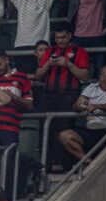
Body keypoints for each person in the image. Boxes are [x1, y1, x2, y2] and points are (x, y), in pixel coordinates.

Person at [35, 22, 90, 165]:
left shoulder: (80, 52)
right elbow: (38, 75)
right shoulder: (49, 52)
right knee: (44, 132)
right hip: (48, 96)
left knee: (62, 130)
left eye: (63, 37)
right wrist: (47, 64)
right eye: (57, 37)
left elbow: (84, 76)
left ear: (70, 36)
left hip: (68, 96)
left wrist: (68, 64)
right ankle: (44, 167)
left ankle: (63, 164)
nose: (60, 40)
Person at [58, 66, 106, 167]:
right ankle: (88, 162)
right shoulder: (91, 87)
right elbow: (77, 105)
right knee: (64, 136)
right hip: (90, 129)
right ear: (102, 78)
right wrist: (81, 106)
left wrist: (96, 106)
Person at [5, 0, 56, 73]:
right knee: (25, 79)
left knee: (41, 77)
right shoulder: (21, 1)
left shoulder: (44, 1)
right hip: (21, 45)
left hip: (40, 46)